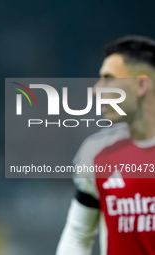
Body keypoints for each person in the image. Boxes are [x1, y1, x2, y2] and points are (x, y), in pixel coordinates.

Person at [56, 35, 155, 255]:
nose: (96, 89)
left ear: (141, 85)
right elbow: (77, 236)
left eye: (108, 78)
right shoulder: (96, 154)